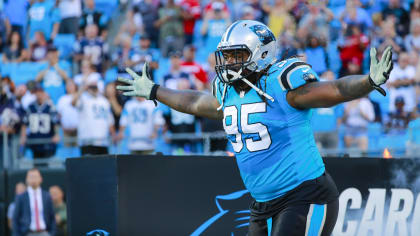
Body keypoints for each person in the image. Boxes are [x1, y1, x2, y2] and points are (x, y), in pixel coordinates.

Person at [117, 20, 393, 235]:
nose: (229, 63)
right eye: (226, 56)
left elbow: (333, 88)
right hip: (262, 204)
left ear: (261, 54)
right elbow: (194, 102)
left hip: (305, 196)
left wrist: (367, 82)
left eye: (237, 54)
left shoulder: (281, 84)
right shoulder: (225, 91)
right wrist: (155, 90)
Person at [20, 84, 60, 162]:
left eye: (40, 92)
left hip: (47, 141)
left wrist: (56, 134)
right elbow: (24, 123)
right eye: (37, 92)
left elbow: (55, 122)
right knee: (36, 164)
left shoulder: (50, 107)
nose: (39, 94)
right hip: (34, 141)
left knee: (47, 165)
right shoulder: (30, 107)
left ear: (43, 93)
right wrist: (23, 136)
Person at [13, 168, 56, 236]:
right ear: (26, 180)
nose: (33, 179)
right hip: (27, 233)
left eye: (35, 177)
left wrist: (52, 233)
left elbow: (52, 217)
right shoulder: (21, 197)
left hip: (44, 233)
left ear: (41, 179)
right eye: (31, 177)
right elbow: (15, 218)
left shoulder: (47, 196)